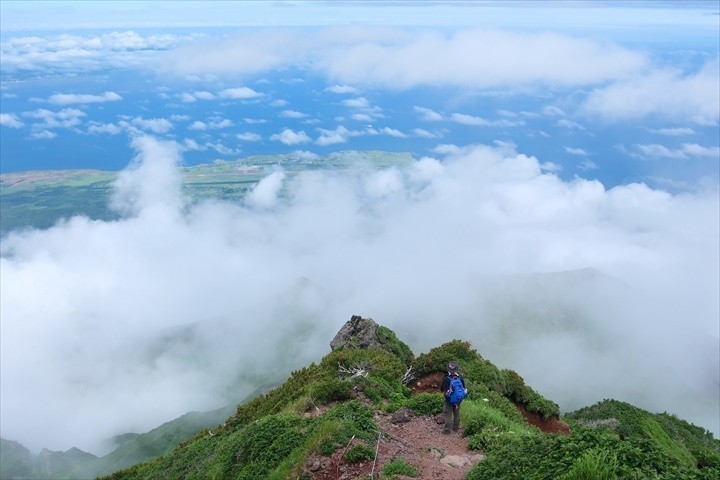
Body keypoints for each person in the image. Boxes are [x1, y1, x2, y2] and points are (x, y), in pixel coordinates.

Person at [439, 360, 467, 433]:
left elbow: (442, 389)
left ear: (448, 369)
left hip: (449, 399)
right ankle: (456, 428)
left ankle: (447, 429)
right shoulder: (460, 377)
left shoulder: (446, 378)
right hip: (458, 399)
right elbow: (463, 387)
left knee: (447, 414)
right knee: (456, 413)